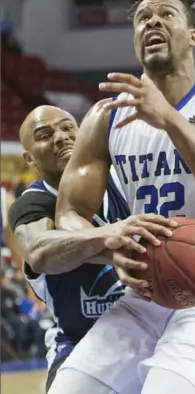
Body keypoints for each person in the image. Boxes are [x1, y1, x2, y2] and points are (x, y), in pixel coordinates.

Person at [51, 0, 195, 394]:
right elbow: (69, 214)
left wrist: (171, 120)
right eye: (142, 18)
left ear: (192, 36)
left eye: (166, 14)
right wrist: (106, 244)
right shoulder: (106, 117)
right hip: (146, 291)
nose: (152, 21)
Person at [8, 105, 173, 392]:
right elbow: (38, 251)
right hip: (79, 342)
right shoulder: (31, 204)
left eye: (68, 127)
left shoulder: (125, 182)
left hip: (150, 335)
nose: (60, 137)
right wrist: (107, 235)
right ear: (29, 158)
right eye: (45, 135)